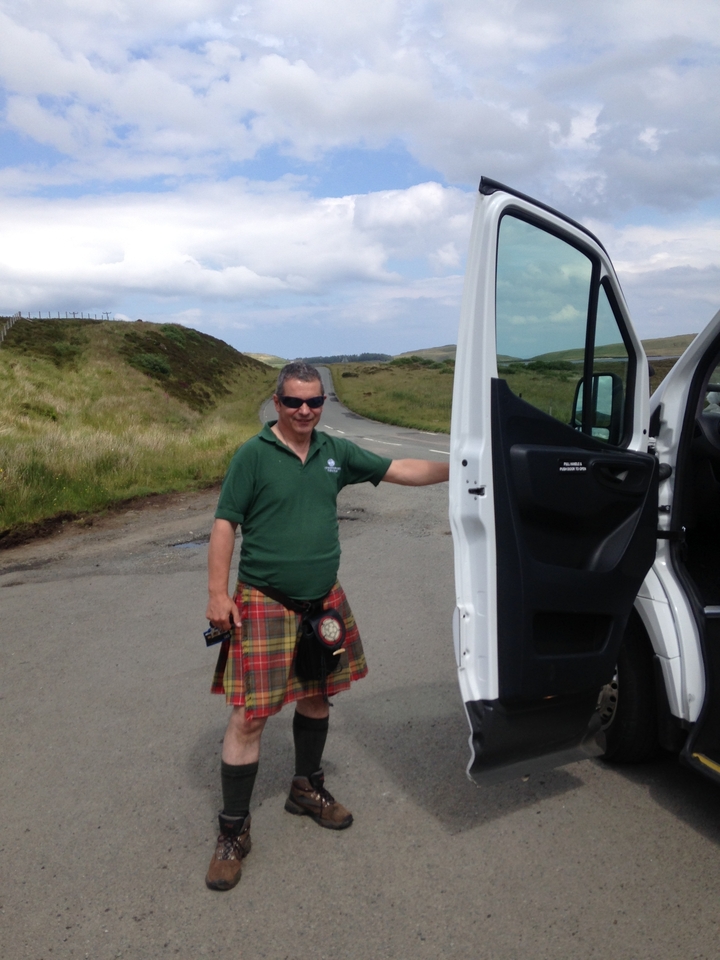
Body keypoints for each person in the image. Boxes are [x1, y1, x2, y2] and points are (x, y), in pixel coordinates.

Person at [204, 361, 449, 891]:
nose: (304, 411)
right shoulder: (252, 455)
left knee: (317, 696)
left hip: (323, 602)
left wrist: (465, 468)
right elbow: (225, 523)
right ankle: (233, 831)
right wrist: (218, 595)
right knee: (250, 717)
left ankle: (306, 788)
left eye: (314, 401)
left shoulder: (334, 452)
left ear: (322, 402)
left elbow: (400, 469)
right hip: (265, 602)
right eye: (294, 401)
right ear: (276, 402)